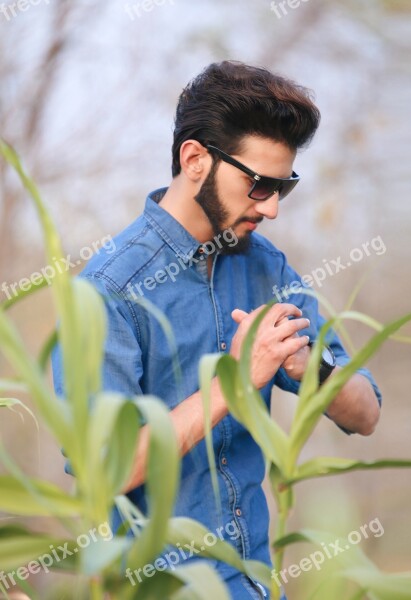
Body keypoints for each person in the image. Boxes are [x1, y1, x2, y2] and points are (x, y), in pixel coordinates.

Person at [52, 60, 381, 600]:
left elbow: (366, 414)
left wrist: (307, 363)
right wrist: (236, 383)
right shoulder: (107, 291)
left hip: (256, 583)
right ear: (196, 159)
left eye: (284, 186)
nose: (272, 207)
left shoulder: (265, 267)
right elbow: (102, 473)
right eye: (258, 185)